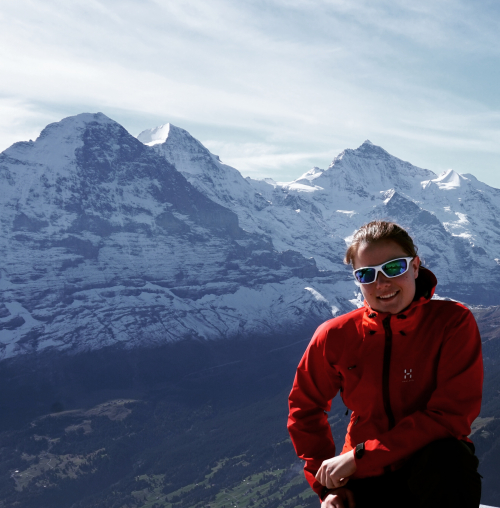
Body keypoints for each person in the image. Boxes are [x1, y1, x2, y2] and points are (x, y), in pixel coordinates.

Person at [287, 221, 483, 508]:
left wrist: (360, 456)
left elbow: (450, 415)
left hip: (433, 471)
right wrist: (326, 486)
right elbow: (304, 408)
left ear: (415, 267)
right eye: (366, 274)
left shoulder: (451, 322)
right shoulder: (335, 335)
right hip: (364, 476)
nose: (381, 284)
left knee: (448, 458)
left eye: (394, 268)